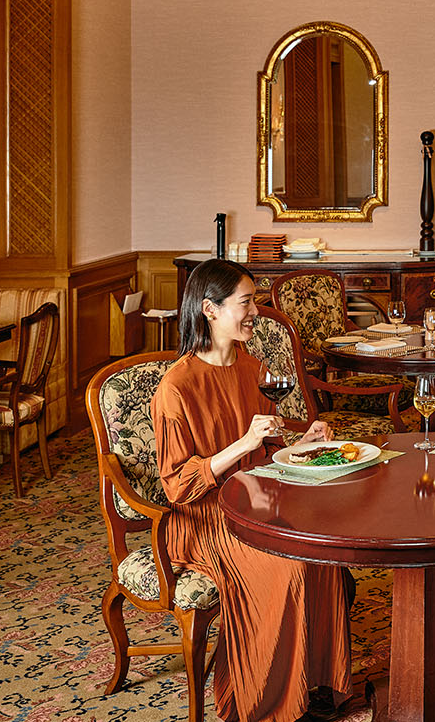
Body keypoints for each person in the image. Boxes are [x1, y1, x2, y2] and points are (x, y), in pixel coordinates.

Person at [153, 259, 351, 722]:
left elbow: (268, 449)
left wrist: (302, 442)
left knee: (322, 552)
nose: (256, 312)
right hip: (206, 518)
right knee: (288, 565)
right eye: (246, 302)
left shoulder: (252, 367)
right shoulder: (176, 386)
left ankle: (316, 682)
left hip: (257, 501)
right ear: (210, 309)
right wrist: (243, 444)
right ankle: (271, 702)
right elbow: (177, 485)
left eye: (255, 302)